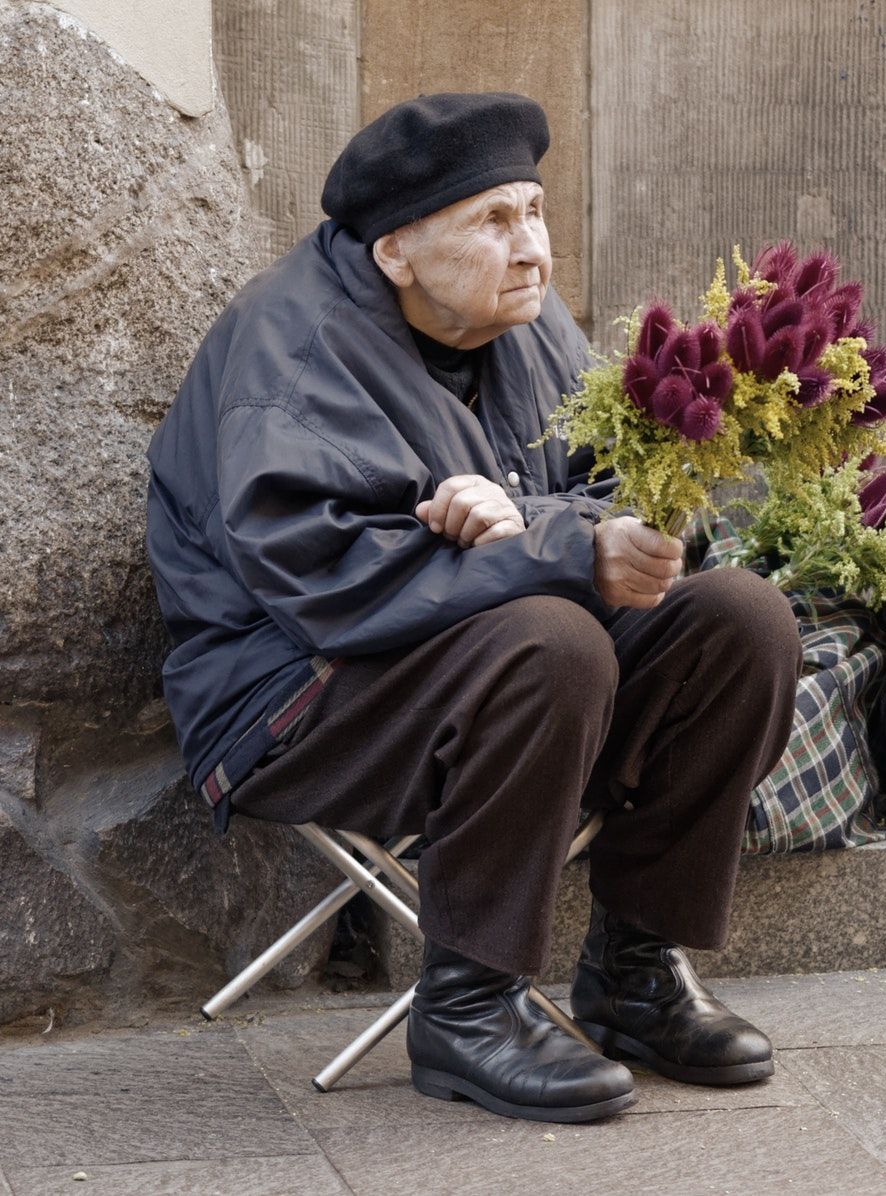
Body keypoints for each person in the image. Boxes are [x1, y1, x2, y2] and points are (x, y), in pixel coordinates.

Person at [146, 92, 802, 1124]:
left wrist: (570, 529)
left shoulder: (529, 324)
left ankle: (633, 971)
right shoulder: (289, 351)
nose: (531, 248)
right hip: (292, 703)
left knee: (740, 622)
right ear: (396, 251)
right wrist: (554, 546)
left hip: (484, 678)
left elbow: (604, 498)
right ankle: (467, 1007)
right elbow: (323, 583)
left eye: (534, 211)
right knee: (551, 638)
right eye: (492, 222)